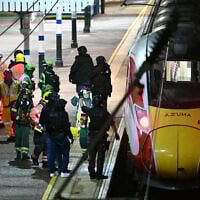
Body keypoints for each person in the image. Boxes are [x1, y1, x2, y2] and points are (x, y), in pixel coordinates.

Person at [81, 95, 119, 180]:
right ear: (102, 102)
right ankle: (99, 174)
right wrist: (116, 134)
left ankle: (92, 174)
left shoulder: (90, 111)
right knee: (100, 157)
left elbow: (83, 108)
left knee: (92, 157)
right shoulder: (104, 112)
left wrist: (81, 101)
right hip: (102, 137)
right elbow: (112, 123)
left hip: (92, 137)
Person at [39, 93, 74, 177]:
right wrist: (70, 136)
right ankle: (63, 170)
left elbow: (41, 121)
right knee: (64, 153)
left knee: (51, 153)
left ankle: (52, 171)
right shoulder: (62, 112)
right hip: (61, 135)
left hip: (49, 134)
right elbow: (66, 125)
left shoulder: (45, 109)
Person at [0, 69, 20, 142]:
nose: (8, 77)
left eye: (9, 75)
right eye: (7, 75)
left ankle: (15, 135)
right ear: (4, 76)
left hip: (14, 107)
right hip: (5, 108)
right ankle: (11, 135)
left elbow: (20, 94)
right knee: (7, 122)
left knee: (15, 122)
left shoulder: (17, 84)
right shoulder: (1, 85)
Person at [14, 88, 34, 160]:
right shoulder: (29, 102)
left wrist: (16, 118)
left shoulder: (18, 101)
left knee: (18, 139)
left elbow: (13, 111)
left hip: (19, 123)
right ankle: (24, 155)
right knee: (24, 140)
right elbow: (32, 113)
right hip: (25, 124)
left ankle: (18, 154)